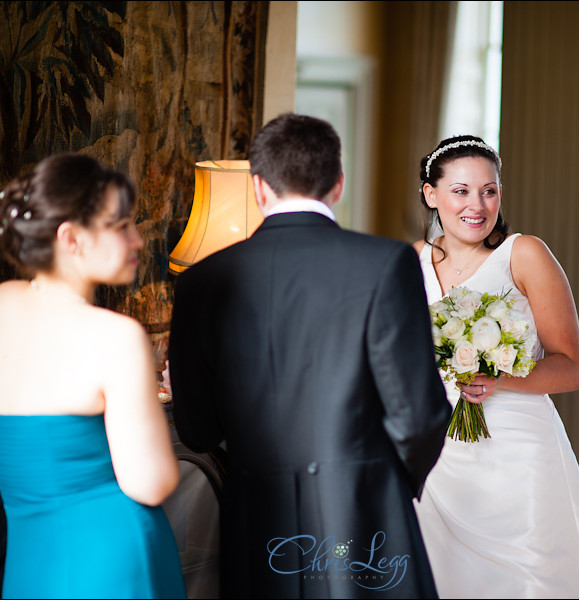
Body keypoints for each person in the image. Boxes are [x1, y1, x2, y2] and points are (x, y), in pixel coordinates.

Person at [167, 113, 452, 598]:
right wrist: (387, 483)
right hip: (364, 511)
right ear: (337, 185)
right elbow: (420, 414)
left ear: (259, 188)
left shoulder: (199, 281)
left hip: (253, 516)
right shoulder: (385, 263)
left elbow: (196, 430)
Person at [0, 154, 187, 599]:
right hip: (113, 562)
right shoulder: (117, 336)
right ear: (70, 238)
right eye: (121, 224)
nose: (138, 238)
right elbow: (152, 483)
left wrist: (50, 441)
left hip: (31, 565)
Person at [411, 135, 579, 598]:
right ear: (430, 194)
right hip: (436, 453)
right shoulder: (409, 261)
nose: (477, 205)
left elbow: (571, 368)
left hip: (518, 450)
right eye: (460, 191)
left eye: (490, 190)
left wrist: (496, 378)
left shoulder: (524, 254)